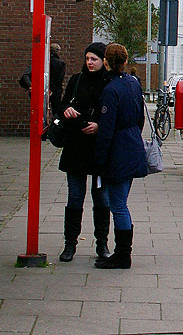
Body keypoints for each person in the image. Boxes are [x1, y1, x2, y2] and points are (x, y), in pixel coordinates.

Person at [92, 43, 147, 269]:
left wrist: (99, 161)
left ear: (106, 62)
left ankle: (123, 255)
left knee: (118, 205)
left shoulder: (111, 89)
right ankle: (122, 253)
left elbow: (106, 129)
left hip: (118, 150)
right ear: (124, 62)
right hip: (133, 144)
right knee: (121, 202)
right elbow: (140, 118)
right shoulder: (133, 83)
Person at [57, 42, 111, 263]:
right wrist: (65, 110)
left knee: (101, 198)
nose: (89, 62)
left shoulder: (109, 83)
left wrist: (99, 125)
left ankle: (102, 243)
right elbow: (61, 106)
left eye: (94, 59)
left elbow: (113, 114)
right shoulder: (76, 81)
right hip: (76, 147)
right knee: (75, 197)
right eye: (87, 58)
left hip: (98, 149)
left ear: (103, 61)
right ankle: (70, 244)